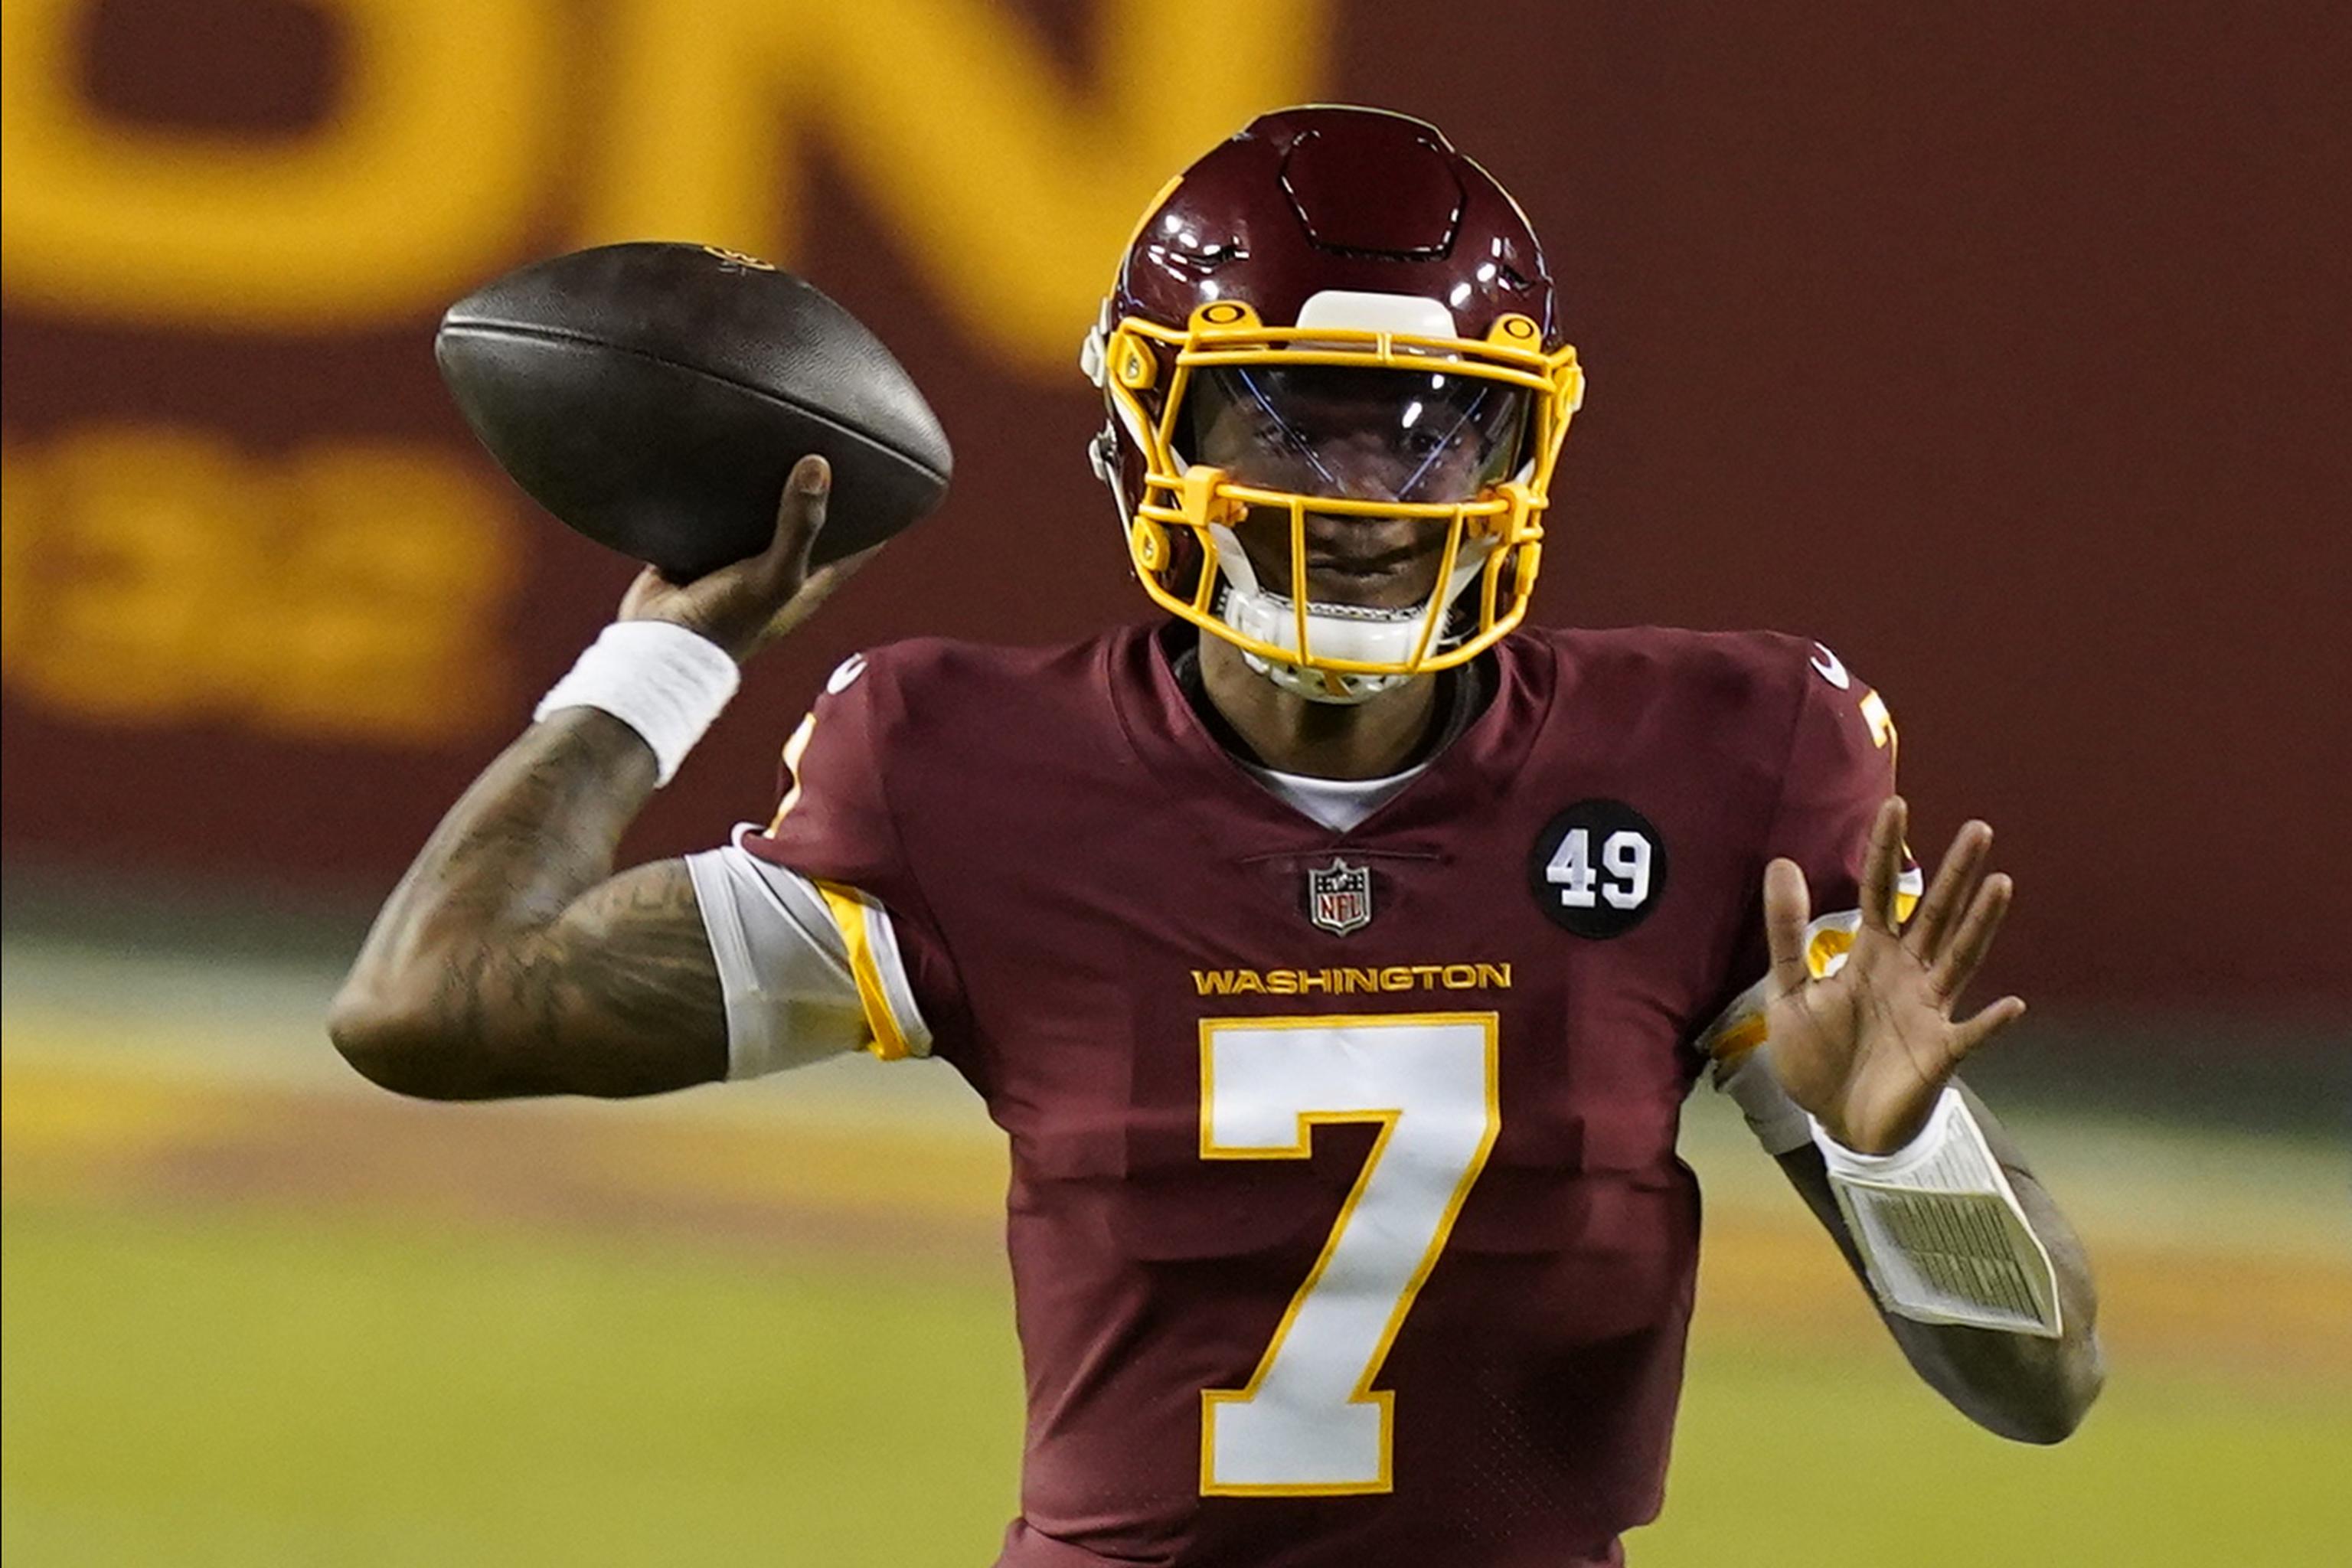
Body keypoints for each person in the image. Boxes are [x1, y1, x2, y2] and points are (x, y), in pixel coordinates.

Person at [331, 105, 2102, 1567]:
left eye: (1440, 433)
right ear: (1147, 433)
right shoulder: (967, 775)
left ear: (1527, 446)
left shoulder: (1727, 766)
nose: (1371, 495)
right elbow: (430, 998)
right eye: (1291, 419)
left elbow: (2044, 1384)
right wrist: (677, 637)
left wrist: (1909, 1160)